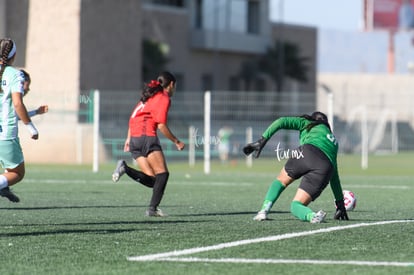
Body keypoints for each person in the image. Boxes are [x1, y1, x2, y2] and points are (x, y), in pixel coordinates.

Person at [243, 111, 349, 223]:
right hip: (325, 169)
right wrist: (340, 204)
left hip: (307, 153)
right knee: (296, 205)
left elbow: (281, 121)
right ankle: (312, 216)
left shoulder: (308, 122)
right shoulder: (334, 142)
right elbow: (334, 176)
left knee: (281, 181)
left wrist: (261, 141)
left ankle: (263, 212)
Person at [112, 71, 185, 217]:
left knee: (153, 180)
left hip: (135, 140)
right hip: (147, 138)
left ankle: (125, 168)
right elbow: (161, 126)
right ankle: (152, 209)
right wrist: (177, 141)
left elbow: (133, 117)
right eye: (175, 86)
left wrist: (128, 139)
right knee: (163, 174)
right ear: (171, 84)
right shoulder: (163, 98)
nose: (174, 90)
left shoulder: (147, 97)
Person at [0, 38, 39, 203]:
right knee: (17, 173)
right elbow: (17, 103)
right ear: (13, 56)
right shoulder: (16, 74)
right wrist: (31, 127)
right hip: (6, 133)